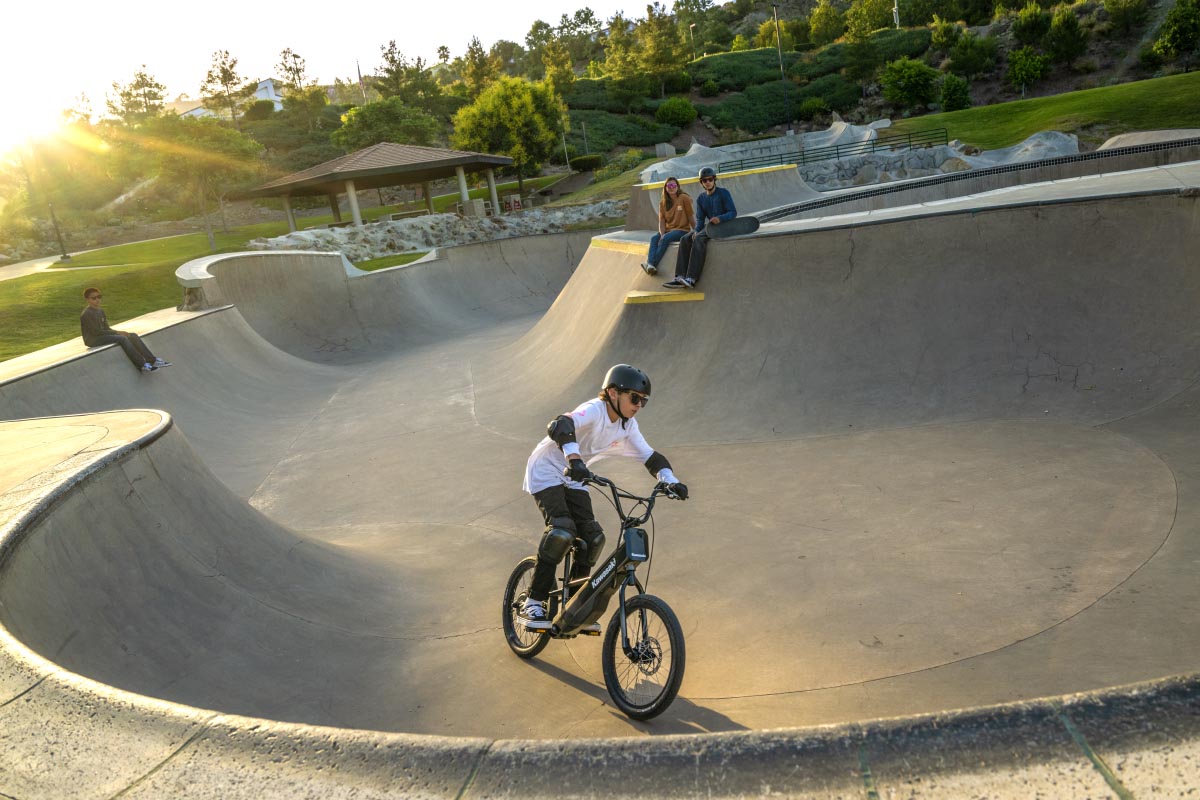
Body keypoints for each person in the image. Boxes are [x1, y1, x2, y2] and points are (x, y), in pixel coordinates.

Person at [518, 364, 689, 629]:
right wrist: (574, 459)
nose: (639, 405)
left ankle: (574, 606)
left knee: (593, 538)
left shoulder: (627, 425)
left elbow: (650, 456)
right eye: (634, 398)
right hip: (547, 468)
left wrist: (671, 481)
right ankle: (534, 602)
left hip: (575, 475)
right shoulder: (595, 410)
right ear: (612, 392)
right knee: (562, 530)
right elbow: (561, 424)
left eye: (643, 401)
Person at [663, 166, 737, 289]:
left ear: (714, 180)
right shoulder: (701, 199)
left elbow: (733, 212)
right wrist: (696, 230)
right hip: (711, 227)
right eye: (704, 180)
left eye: (710, 179)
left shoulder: (723, 193)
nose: (708, 182)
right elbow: (700, 220)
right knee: (686, 239)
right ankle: (679, 277)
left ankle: (691, 278)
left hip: (725, 225)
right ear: (701, 183)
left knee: (699, 239)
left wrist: (720, 218)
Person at [79, 288, 171, 373]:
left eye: (99, 297)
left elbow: (106, 328)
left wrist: (120, 332)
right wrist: (117, 333)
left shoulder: (100, 311)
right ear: (87, 299)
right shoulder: (87, 314)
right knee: (122, 339)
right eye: (94, 298)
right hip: (93, 339)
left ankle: (152, 360)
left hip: (101, 336)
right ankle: (142, 365)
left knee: (132, 335)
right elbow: (96, 332)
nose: (97, 300)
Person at [640, 176, 693, 276]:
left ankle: (651, 264)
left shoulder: (684, 198)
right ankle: (651, 265)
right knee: (654, 238)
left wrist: (696, 231)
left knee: (666, 238)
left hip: (682, 230)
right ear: (665, 188)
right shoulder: (663, 203)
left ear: (677, 186)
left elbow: (690, 216)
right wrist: (662, 233)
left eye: (673, 185)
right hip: (669, 230)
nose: (671, 187)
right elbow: (662, 221)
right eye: (669, 186)